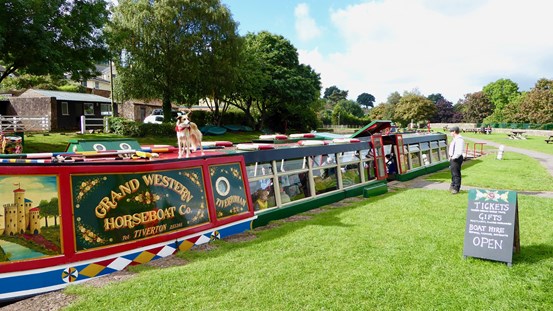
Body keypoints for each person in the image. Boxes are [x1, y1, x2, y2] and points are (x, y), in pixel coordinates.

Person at [448, 126, 465, 194]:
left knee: (456, 173)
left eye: (451, 132)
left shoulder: (459, 139)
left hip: (456, 158)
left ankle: (456, 188)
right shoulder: (455, 139)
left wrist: (454, 157)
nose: (450, 133)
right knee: (453, 173)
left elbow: (459, 150)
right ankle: (452, 185)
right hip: (453, 157)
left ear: (454, 131)